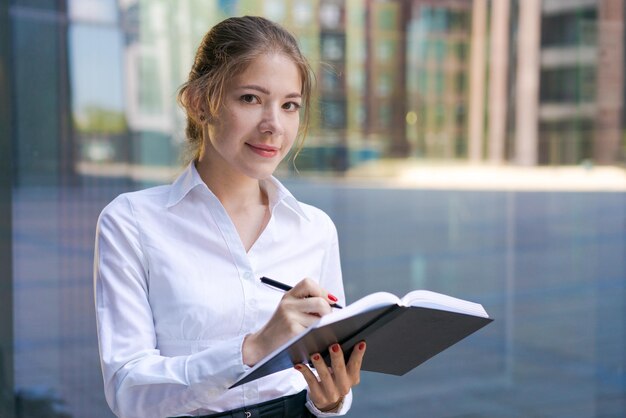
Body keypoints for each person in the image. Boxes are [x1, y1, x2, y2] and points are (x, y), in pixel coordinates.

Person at [93, 16, 366, 418]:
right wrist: (254, 347)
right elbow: (129, 393)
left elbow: (325, 376)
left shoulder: (315, 229)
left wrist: (332, 400)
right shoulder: (131, 222)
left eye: (289, 105)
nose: (274, 125)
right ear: (199, 103)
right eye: (251, 99)